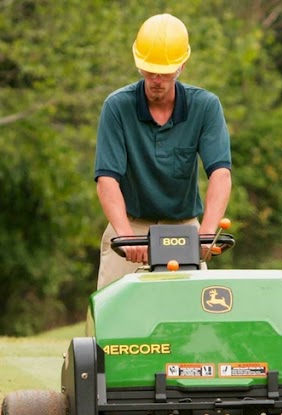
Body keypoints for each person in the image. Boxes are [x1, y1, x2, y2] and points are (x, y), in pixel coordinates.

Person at [94, 13, 232, 289]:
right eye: (150, 69)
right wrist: (124, 235)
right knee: (115, 313)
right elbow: (107, 179)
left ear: (181, 65)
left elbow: (220, 174)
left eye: (164, 71)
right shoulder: (117, 107)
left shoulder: (205, 107)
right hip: (130, 227)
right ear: (138, 64)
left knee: (195, 313)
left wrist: (206, 233)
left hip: (184, 229)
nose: (156, 78)